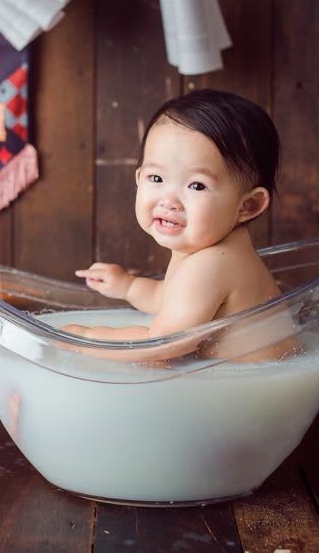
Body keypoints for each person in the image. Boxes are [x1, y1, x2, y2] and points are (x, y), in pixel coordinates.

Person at [63, 89, 301, 361]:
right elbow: (170, 298)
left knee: (148, 367)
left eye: (197, 185)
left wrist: (84, 340)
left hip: (249, 392)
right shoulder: (209, 250)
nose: (169, 200)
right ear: (138, 178)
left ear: (248, 206)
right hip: (244, 384)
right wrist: (127, 286)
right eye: (156, 178)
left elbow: (163, 345)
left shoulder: (212, 263)